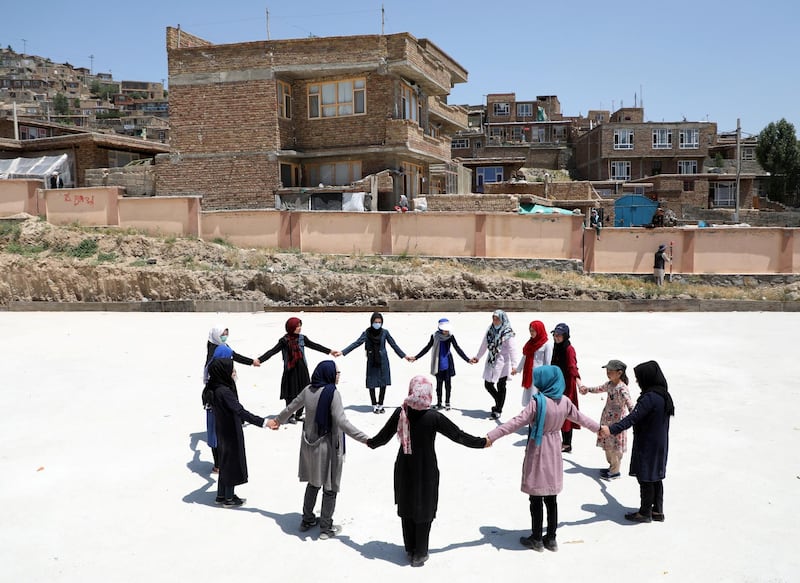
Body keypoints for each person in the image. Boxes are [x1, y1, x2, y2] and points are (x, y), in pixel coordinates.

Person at [367, 375, 489, 567]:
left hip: (405, 466)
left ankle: (410, 548)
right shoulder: (433, 417)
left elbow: (381, 438)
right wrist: (482, 443)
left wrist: (369, 442)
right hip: (426, 469)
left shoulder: (402, 412)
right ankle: (420, 553)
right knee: (424, 508)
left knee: (407, 506)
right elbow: (458, 435)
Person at [487, 366, 600, 552]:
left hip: (539, 450)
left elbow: (515, 422)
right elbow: (581, 418)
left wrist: (492, 436)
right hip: (555, 448)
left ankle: (537, 538)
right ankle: (552, 538)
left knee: (536, 496)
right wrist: (599, 429)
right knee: (551, 496)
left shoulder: (537, 402)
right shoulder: (565, 401)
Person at [268, 361, 368, 539]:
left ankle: (306, 520)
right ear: (328, 374)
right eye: (336, 372)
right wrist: (365, 439)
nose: (338, 375)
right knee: (330, 486)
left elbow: (292, 407)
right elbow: (341, 421)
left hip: (309, 445)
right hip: (327, 446)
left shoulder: (308, 390)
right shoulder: (332, 393)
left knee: (313, 482)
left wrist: (277, 420)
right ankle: (325, 527)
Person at [600, 360, 674, 523]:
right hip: (660, 442)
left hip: (647, 443)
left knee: (646, 476)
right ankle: (657, 511)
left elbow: (633, 418)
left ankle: (645, 512)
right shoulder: (663, 395)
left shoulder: (649, 398)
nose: (637, 381)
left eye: (639, 377)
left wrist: (611, 429)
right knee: (656, 476)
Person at [204, 358, 269, 507]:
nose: (233, 373)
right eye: (231, 370)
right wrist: (263, 422)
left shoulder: (213, 388)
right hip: (230, 432)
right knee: (231, 464)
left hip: (221, 431)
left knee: (225, 462)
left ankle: (221, 495)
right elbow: (240, 411)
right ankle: (229, 498)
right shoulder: (224, 392)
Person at [258, 317, 339, 424]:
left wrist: (329, 351)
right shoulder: (284, 341)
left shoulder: (302, 338)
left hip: (302, 369)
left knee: (305, 391)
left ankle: (299, 414)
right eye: (297, 326)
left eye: (300, 326)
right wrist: (260, 360)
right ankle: (290, 415)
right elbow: (272, 351)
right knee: (290, 393)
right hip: (290, 370)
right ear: (291, 327)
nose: (299, 328)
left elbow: (315, 346)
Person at [203, 325, 260, 472]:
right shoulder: (214, 351)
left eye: (226, 334)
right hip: (218, 389)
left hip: (227, 385)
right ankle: (218, 464)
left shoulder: (224, 346)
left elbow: (235, 356)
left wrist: (251, 362)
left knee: (231, 415)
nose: (225, 337)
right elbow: (208, 371)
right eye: (223, 334)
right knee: (217, 430)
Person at [341, 312, 411, 414]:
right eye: (375, 322)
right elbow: (357, 343)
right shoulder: (367, 333)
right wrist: (343, 352)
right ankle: (374, 404)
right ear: (371, 322)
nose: (377, 324)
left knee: (383, 382)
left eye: (379, 322)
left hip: (383, 361)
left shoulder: (385, 332)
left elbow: (393, 345)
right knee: (371, 382)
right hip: (372, 360)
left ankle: (381, 404)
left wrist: (404, 356)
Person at [578, 359, 635, 480]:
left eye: (611, 371)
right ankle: (611, 467)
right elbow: (599, 389)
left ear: (619, 373)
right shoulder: (609, 384)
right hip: (606, 419)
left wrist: (634, 413)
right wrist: (587, 389)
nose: (608, 373)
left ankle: (615, 471)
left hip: (617, 422)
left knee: (615, 448)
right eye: (607, 370)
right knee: (608, 445)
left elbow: (629, 402)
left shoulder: (622, 388)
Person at [410, 317, 471, 411]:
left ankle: (447, 402)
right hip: (438, 362)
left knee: (448, 384)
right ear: (440, 329)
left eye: (447, 330)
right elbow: (427, 347)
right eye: (444, 330)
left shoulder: (450, 336)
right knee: (439, 384)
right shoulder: (434, 336)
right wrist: (416, 357)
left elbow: (457, 348)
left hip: (447, 362)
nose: (446, 331)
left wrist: (467, 359)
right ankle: (439, 402)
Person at [471, 309, 519, 420]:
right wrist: (478, 357)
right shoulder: (491, 330)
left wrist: (514, 365)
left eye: (497, 318)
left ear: (502, 319)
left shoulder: (507, 333)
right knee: (488, 384)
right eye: (493, 318)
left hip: (503, 362)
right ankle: (499, 401)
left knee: (501, 385)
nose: (495, 320)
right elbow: (484, 344)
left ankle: (498, 409)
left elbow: (513, 350)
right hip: (492, 360)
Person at [550, 322, 581, 452]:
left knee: (565, 413)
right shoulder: (557, 347)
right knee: (557, 412)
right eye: (555, 335)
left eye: (559, 335)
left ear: (565, 336)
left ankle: (567, 443)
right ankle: (562, 441)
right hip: (557, 384)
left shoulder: (569, 349)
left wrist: (579, 383)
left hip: (567, 386)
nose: (556, 337)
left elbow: (572, 367)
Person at [513, 320, 553, 407]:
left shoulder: (547, 345)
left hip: (539, 376)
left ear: (539, 330)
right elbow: (525, 357)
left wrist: (546, 378)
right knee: (529, 399)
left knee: (537, 399)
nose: (531, 332)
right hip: (529, 375)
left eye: (533, 330)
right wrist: (518, 369)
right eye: (530, 330)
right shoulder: (530, 343)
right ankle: (530, 416)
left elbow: (548, 362)